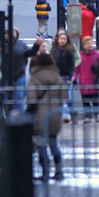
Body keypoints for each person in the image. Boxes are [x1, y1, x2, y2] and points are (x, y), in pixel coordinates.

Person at [29, 53, 66, 181]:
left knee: (41, 144)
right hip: (55, 113)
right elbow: (64, 96)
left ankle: (45, 173)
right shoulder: (57, 76)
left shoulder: (35, 77)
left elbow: (31, 98)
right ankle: (59, 171)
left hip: (40, 114)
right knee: (54, 143)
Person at [74, 36, 99, 123]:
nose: (90, 45)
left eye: (91, 43)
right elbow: (77, 69)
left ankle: (96, 115)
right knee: (85, 101)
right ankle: (88, 116)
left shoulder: (97, 55)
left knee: (95, 100)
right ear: (84, 45)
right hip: (84, 81)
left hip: (94, 81)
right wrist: (75, 79)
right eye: (88, 43)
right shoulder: (80, 56)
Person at [50, 32, 76, 122]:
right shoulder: (54, 50)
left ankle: (73, 115)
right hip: (57, 76)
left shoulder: (69, 51)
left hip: (66, 76)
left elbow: (72, 65)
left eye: (64, 39)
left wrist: (70, 77)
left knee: (68, 97)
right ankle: (60, 116)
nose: (62, 41)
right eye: (61, 39)